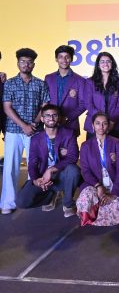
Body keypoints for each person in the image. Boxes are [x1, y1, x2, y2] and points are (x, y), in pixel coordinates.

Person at [1, 48, 50, 215]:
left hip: (35, 131)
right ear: (18, 63)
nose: (26, 64)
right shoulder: (9, 83)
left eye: (29, 62)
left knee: (35, 165)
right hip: (13, 130)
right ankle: (8, 202)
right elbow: (7, 108)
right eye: (23, 61)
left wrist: (34, 123)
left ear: (33, 65)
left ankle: (32, 198)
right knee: (10, 167)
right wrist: (23, 125)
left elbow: (44, 107)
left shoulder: (40, 84)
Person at [16, 104, 81, 217]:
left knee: (73, 170)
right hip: (43, 178)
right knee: (22, 201)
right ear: (42, 119)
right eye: (47, 115)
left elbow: (73, 157)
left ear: (58, 118)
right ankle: (50, 197)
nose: (51, 118)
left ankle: (68, 203)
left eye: (54, 115)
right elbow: (32, 163)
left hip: (62, 175)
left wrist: (51, 169)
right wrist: (36, 180)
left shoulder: (69, 133)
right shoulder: (35, 139)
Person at [77, 112, 119, 226]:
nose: (101, 127)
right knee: (85, 198)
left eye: (104, 123)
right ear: (92, 125)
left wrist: (114, 193)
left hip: (113, 183)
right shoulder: (85, 146)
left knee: (117, 206)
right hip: (94, 183)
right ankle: (92, 214)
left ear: (108, 126)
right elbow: (85, 171)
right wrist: (98, 186)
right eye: (98, 123)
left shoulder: (116, 143)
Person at [45, 45, 86, 136]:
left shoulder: (80, 80)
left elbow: (83, 104)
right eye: (60, 57)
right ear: (56, 59)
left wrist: (67, 118)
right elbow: (45, 101)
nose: (64, 60)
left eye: (67, 57)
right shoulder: (48, 78)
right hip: (51, 124)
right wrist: (49, 117)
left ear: (71, 59)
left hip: (70, 124)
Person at [84, 52, 119, 140]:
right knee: (93, 149)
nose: (105, 64)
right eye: (102, 61)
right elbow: (88, 103)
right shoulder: (90, 82)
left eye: (108, 61)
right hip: (94, 125)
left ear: (112, 64)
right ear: (98, 65)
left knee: (115, 148)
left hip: (113, 124)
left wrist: (112, 122)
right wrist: (100, 121)